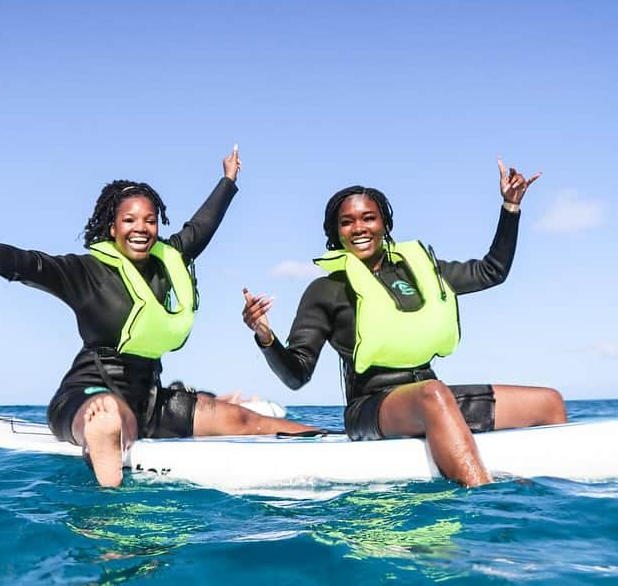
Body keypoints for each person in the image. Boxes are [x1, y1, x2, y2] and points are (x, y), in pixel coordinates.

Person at [0, 148, 316, 487]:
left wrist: (228, 180)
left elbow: (203, 226)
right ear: (113, 227)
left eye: (149, 220)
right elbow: (23, 264)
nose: (141, 228)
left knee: (252, 421)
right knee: (108, 421)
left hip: (151, 401)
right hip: (89, 396)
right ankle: (115, 529)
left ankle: (341, 437)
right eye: (129, 220)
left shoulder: (168, 262)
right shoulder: (85, 272)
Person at [241, 158, 567, 487]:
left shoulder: (419, 271)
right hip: (370, 408)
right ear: (335, 231)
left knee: (548, 402)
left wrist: (510, 208)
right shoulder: (325, 290)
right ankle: (484, 499)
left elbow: (490, 271)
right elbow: (297, 375)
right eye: (347, 222)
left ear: (385, 225)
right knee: (434, 394)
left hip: (430, 398)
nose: (359, 228)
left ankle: (556, 508)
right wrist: (266, 337)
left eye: (369, 218)